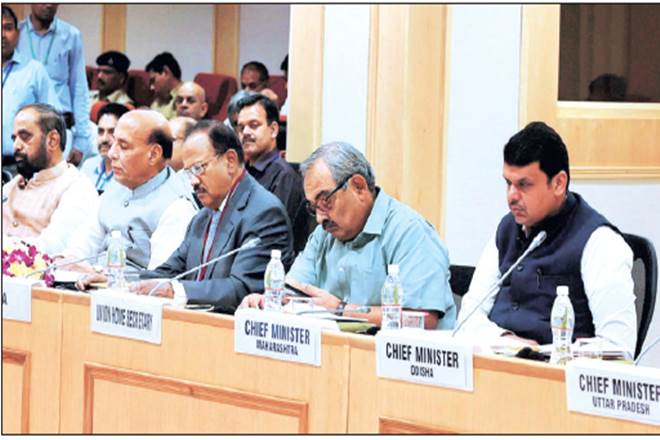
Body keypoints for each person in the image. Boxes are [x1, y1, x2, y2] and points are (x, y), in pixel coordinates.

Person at [456, 121, 636, 356]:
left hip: (556, 373)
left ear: (559, 183)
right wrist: (507, 341)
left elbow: (618, 349)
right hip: (499, 368)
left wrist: (540, 353)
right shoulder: (507, 229)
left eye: (524, 185)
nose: (511, 196)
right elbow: (466, 319)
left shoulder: (600, 242)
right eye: (508, 183)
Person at [80, 121, 294, 314]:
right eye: (188, 172)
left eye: (199, 168)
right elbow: (169, 271)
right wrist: (118, 281)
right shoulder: (202, 217)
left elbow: (242, 287)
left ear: (230, 161)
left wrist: (175, 290)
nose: (193, 182)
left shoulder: (264, 213)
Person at [240, 142, 456, 329]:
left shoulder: (410, 232)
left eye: (325, 201)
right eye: (313, 207)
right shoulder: (323, 235)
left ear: (358, 186)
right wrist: (268, 302)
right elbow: (295, 292)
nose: (319, 218)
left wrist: (341, 310)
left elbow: (423, 319)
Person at [62, 110, 197, 272]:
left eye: (123, 146)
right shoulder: (116, 186)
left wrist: (101, 277)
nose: (111, 153)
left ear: (154, 154)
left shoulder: (177, 207)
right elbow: (83, 245)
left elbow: (159, 280)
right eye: (113, 143)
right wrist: (68, 262)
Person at [2, 104, 98, 255]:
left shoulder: (77, 188)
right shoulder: (14, 183)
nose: (16, 146)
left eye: (25, 137)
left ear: (52, 140)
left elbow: (51, 248)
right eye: (14, 138)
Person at [17, 4, 93, 165]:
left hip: (59, 127)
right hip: (22, 130)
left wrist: (82, 139)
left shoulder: (71, 35)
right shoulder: (16, 33)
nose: (49, 4)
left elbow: (79, 88)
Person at [235, 94, 312, 253]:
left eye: (254, 125)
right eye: (241, 128)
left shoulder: (284, 176)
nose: (245, 132)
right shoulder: (240, 174)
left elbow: (272, 235)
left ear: (273, 130)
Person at [2, 5, 59, 169]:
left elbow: (53, 120)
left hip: (21, 166)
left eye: (8, 28)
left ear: (18, 34)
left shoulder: (34, 71)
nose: (2, 35)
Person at [80, 103, 130, 193]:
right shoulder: (88, 166)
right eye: (101, 131)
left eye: (112, 132)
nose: (104, 139)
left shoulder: (130, 176)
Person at [145, 52, 182, 120]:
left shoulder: (186, 98)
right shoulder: (157, 101)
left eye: (153, 80)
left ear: (165, 72)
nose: (151, 87)